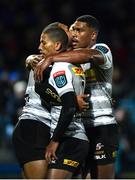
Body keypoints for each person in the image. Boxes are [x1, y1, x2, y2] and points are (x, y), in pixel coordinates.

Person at [34, 15, 119, 179]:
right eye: (72, 29)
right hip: (78, 129)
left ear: (93, 35)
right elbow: (49, 44)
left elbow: (88, 56)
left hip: (101, 127)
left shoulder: (102, 49)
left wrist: (50, 58)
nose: (74, 33)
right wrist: (31, 58)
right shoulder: (69, 58)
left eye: (79, 30)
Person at [35, 26, 89, 179]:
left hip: (70, 138)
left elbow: (70, 107)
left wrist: (54, 141)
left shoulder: (59, 68)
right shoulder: (73, 65)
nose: (39, 47)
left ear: (57, 45)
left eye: (43, 43)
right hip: (75, 138)